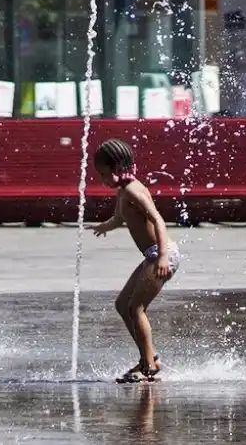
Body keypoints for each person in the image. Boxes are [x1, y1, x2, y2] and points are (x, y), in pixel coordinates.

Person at [88, 139, 179, 383]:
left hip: (161, 254)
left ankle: (148, 366)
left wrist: (162, 257)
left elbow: (158, 220)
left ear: (118, 169)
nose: (102, 180)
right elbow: (118, 219)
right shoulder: (123, 191)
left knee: (135, 308)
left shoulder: (133, 190)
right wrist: (103, 227)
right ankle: (150, 357)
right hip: (153, 255)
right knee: (122, 304)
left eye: (104, 174)